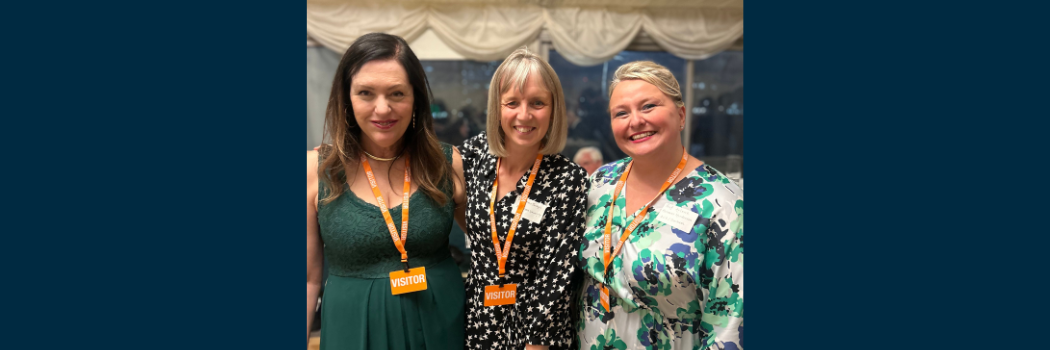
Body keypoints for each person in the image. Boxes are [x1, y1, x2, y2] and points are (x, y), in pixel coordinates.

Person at [306, 32, 467, 350]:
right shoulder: (316, 170)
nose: (383, 109)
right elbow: (307, 280)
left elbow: (498, 249)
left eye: (397, 93)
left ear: (416, 99)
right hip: (352, 332)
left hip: (442, 328)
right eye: (366, 93)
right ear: (346, 98)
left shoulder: (446, 163)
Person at [577, 61, 743, 350]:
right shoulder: (601, 182)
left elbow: (729, 328)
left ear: (680, 115)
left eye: (649, 106)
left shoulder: (724, 204)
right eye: (621, 113)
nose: (635, 121)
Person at [455, 48, 589, 350]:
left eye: (537, 103)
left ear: (554, 109)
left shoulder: (567, 179)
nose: (524, 114)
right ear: (496, 107)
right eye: (512, 102)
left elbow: (556, 278)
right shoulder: (475, 156)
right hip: (477, 320)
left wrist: (535, 344)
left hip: (534, 331)